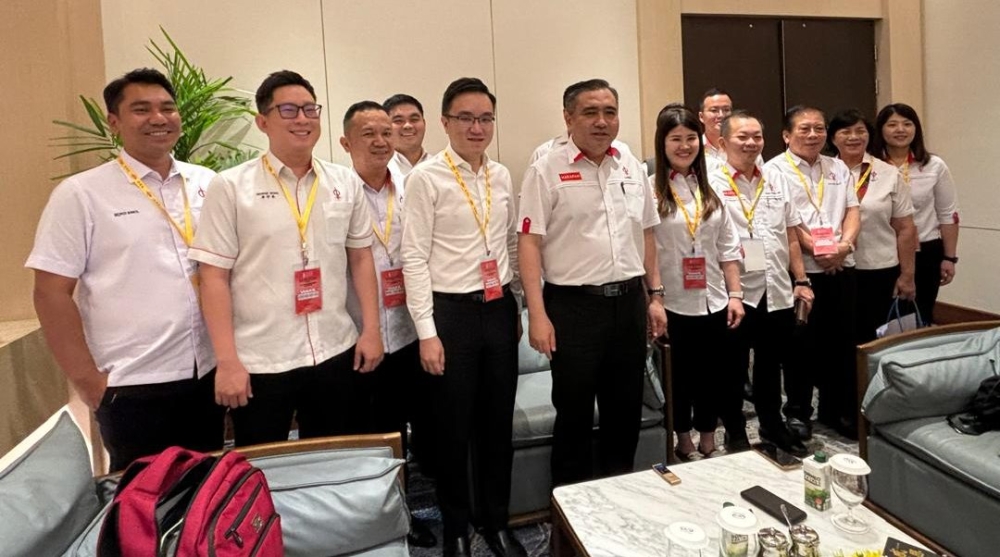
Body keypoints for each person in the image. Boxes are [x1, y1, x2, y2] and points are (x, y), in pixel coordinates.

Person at [26, 68, 224, 472]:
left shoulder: (207, 183)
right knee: (141, 496)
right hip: (132, 382)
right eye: (141, 109)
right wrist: (87, 380)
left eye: (167, 108)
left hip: (207, 371)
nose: (158, 118)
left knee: (208, 487)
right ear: (114, 122)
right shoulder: (81, 194)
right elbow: (50, 291)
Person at [190, 70, 384, 447]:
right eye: (289, 110)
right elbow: (213, 277)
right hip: (262, 359)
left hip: (335, 349)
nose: (302, 119)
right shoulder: (230, 187)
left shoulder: (343, 182)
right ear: (262, 122)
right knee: (265, 467)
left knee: (334, 460)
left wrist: (371, 331)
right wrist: (226, 361)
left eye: (310, 109)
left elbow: (361, 259)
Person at [519, 79, 667, 487]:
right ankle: (572, 506)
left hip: (628, 305)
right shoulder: (546, 169)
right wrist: (537, 315)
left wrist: (654, 296)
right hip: (573, 308)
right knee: (574, 414)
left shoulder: (630, 164)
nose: (602, 121)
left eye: (610, 112)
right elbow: (529, 244)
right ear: (568, 118)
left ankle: (618, 494)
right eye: (590, 112)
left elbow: (647, 232)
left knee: (624, 411)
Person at [400, 77, 524, 557]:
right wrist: (427, 333)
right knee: (452, 429)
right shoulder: (427, 178)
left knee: (497, 426)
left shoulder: (501, 175)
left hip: (498, 309)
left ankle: (496, 521)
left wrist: (516, 302)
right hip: (450, 315)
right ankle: (456, 528)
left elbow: (509, 242)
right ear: (446, 122)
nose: (477, 127)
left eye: (485, 118)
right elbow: (414, 258)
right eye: (466, 118)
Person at [339, 100, 437, 549]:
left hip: (411, 328)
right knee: (372, 436)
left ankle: (408, 508)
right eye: (369, 134)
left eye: (386, 133)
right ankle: (378, 519)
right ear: (346, 143)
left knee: (411, 428)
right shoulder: (337, 192)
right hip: (362, 334)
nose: (381, 142)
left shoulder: (412, 185)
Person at [710, 110, 813, 457]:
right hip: (735, 291)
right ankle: (735, 431)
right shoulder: (711, 182)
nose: (751, 143)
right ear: (723, 141)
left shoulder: (776, 178)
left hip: (775, 286)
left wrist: (801, 279)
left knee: (771, 364)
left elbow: (791, 234)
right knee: (732, 366)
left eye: (757, 136)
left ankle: (772, 424)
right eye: (743, 136)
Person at [650, 104, 744, 461]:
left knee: (712, 375)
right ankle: (683, 439)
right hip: (672, 300)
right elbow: (646, 252)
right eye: (676, 139)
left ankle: (708, 436)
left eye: (691, 138)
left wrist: (735, 294)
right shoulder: (651, 191)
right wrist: (653, 299)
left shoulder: (712, 188)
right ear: (663, 144)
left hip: (714, 298)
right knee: (680, 377)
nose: (684, 146)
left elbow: (727, 247)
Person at [764, 106, 860, 441]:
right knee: (800, 348)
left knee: (841, 344)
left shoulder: (837, 167)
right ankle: (798, 412)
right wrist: (819, 250)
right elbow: (785, 223)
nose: (813, 134)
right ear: (786, 135)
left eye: (819, 128)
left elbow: (852, 211)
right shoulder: (773, 170)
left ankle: (836, 410)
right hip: (801, 273)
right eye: (804, 129)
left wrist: (844, 246)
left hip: (842, 267)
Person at [826, 109, 917, 343]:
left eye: (860, 131)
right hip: (832, 267)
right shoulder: (821, 172)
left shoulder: (888, 173)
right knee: (836, 336)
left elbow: (905, 228)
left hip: (878, 268)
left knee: (873, 336)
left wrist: (907, 275)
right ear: (833, 138)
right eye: (845, 131)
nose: (854, 137)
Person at [870, 103, 959, 324]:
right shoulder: (870, 165)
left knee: (920, 313)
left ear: (916, 129)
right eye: (892, 124)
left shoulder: (933, 165)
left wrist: (949, 258)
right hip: (882, 251)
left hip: (925, 250)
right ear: (881, 129)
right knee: (883, 316)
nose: (900, 130)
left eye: (907, 124)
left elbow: (948, 214)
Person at [383, 94, 431, 176]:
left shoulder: (441, 167)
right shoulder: (378, 169)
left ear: (424, 123)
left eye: (414, 119)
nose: (408, 126)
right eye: (398, 120)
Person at [698, 88, 733, 163]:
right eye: (714, 110)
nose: (721, 115)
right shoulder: (695, 148)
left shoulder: (741, 146)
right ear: (701, 116)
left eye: (726, 110)